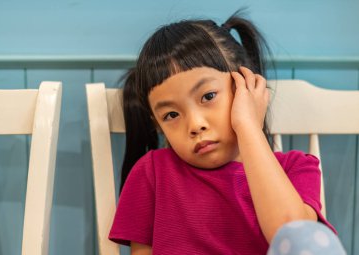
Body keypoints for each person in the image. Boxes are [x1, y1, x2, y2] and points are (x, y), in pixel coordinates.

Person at [108, 10, 346, 255]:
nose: (195, 124)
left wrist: (248, 126)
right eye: (171, 115)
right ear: (157, 123)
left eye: (208, 96)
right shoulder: (152, 173)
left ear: (247, 87)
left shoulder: (297, 167)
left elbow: (293, 236)